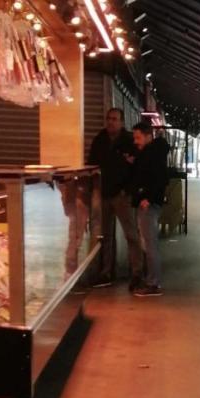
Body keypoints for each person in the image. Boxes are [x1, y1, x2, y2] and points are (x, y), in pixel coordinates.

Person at [87, 107, 142, 291]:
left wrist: (128, 190)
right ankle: (106, 272)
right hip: (103, 194)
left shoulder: (129, 141)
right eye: (109, 118)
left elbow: (137, 169)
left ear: (122, 122)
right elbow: (91, 164)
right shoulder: (100, 140)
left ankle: (136, 273)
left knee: (131, 234)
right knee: (106, 236)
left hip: (122, 196)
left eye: (115, 119)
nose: (111, 122)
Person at [128, 122, 170, 298]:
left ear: (147, 135)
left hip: (148, 204)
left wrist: (148, 197)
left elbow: (159, 179)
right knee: (148, 242)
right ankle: (151, 280)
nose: (135, 141)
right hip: (146, 202)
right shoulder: (149, 153)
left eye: (138, 137)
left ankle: (153, 283)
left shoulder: (153, 154)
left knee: (150, 243)